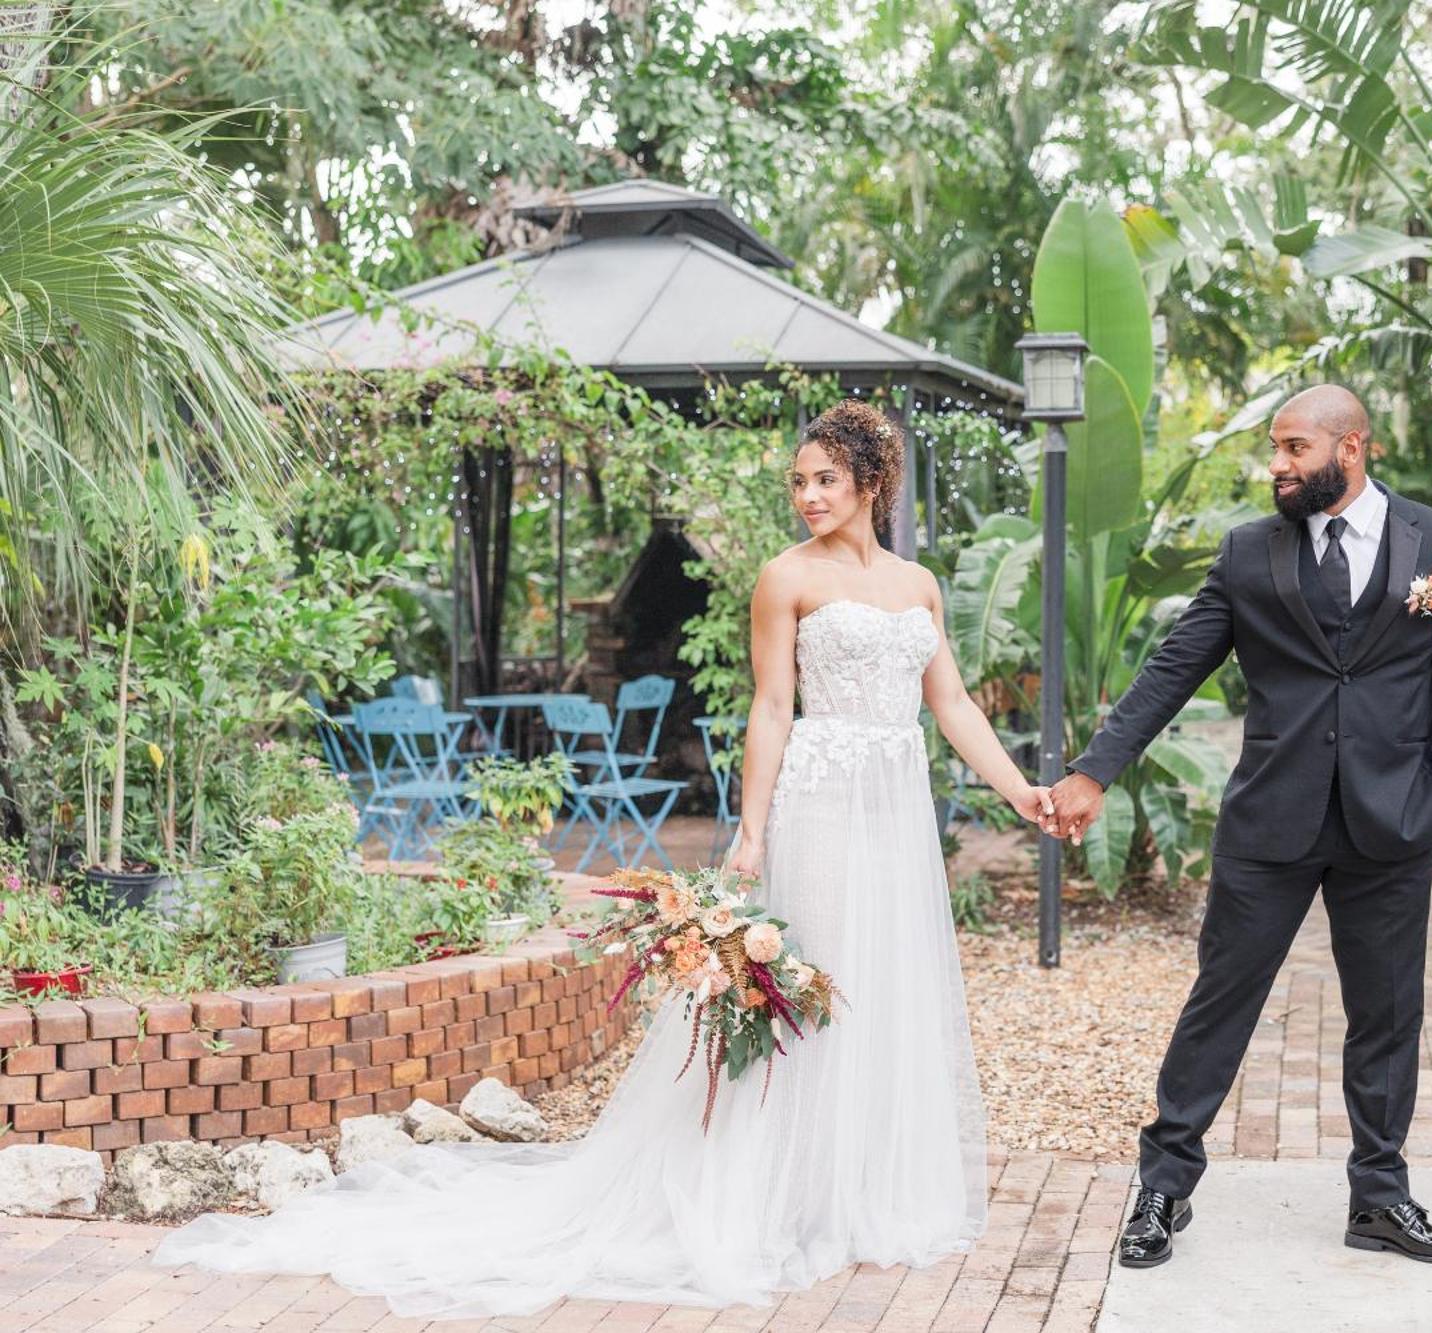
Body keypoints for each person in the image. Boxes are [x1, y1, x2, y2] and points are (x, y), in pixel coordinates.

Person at [151, 399, 1058, 1318]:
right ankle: (783, 1194)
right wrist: (749, 834)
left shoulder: (920, 586)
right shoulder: (784, 579)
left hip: (893, 810)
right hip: (820, 802)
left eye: (825, 478)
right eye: (797, 480)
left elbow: (951, 705)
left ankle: (863, 1189)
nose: (808, 495)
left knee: (883, 988)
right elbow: (773, 710)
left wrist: (1020, 790)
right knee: (809, 991)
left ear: (871, 481)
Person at [1045, 385, 1432, 1269]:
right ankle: (1163, 1190)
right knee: (1221, 1002)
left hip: (1392, 823)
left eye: (1294, 448)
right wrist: (1093, 768)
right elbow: (1175, 664)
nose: (1278, 466)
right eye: (1276, 450)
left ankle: (1381, 1197)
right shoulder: (1250, 552)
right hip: (1270, 822)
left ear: (1351, 448)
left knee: (1387, 1015)